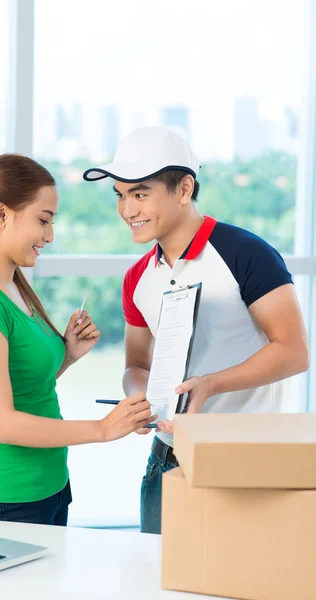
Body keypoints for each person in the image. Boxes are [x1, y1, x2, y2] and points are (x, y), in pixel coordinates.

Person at [83, 126, 309, 534]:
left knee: (245, 589)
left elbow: (294, 351)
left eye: (140, 193)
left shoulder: (246, 253)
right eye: (119, 195)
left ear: (184, 188)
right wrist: (141, 399)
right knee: (158, 583)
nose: (126, 210)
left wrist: (210, 384)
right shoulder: (137, 277)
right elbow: (136, 364)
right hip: (167, 457)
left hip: (246, 459)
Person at [0, 153, 156, 526]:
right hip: (9, 500)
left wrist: (68, 356)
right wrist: (103, 429)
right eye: (43, 220)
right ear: (2, 215)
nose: (49, 236)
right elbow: (0, 423)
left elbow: (23, 388)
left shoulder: (13, 286)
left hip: (51, 487)